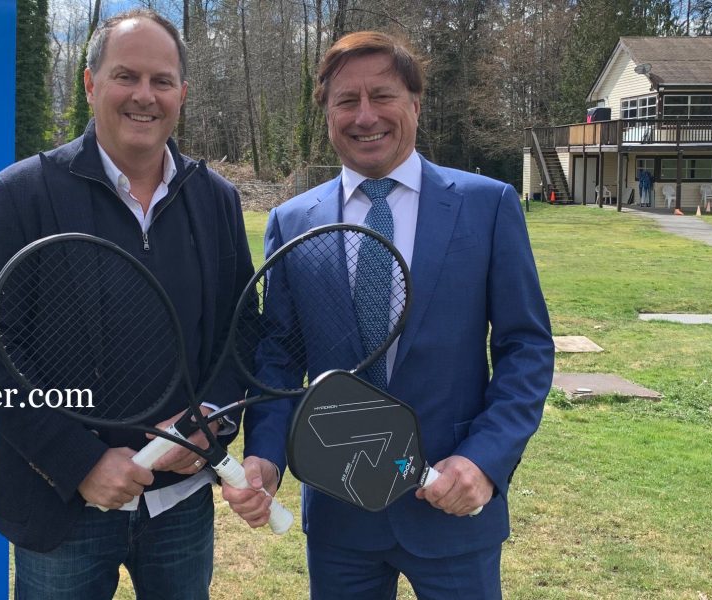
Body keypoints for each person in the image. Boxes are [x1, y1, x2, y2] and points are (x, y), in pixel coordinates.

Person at [222, 31, 554, 599]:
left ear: (416, 105)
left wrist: (484, 460)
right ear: (326, 113)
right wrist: (266, 456)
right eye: (346, 100)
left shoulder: (487, 205)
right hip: (339, 513)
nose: (365, 115)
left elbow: (526, 348)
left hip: (450, 502)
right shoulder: (293, 221)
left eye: (383, 96)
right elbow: (279, 355)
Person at [0, 10, 254, 599]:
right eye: (126, 76)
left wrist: (211, 424)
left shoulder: (215, 199)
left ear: (182, 94)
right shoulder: (22, 194)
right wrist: (79, 462)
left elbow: (239, 331)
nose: (145, 96)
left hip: (180, 506)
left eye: (162, 81)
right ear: (91, 85)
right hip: (63, 506)